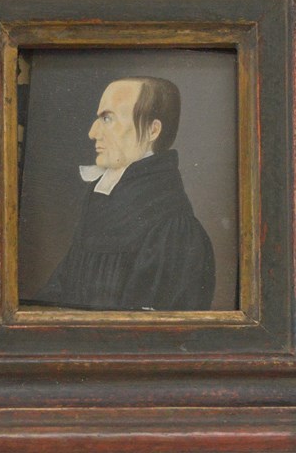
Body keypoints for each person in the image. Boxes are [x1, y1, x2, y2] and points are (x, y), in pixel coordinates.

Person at [35, 77, 215, 311]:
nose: (92, 132)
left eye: (107, 119)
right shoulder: (101, 200)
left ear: (152, 130)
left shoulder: (175, 231)